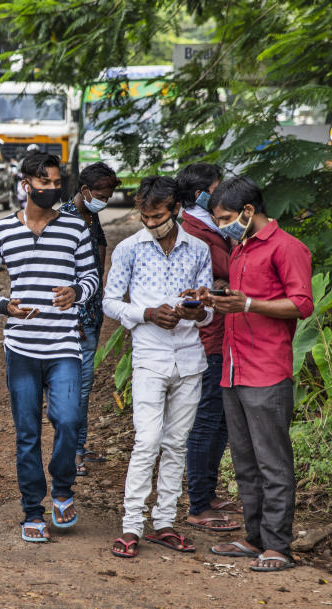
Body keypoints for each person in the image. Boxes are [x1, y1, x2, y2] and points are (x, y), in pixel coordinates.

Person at [0, 151, 99, 543]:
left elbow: (92, 277)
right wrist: (4, 304)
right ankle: (33, 511)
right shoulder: (0, 231)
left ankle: (62, 490)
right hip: (21, 348)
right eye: (44, 183)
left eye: (56, 183)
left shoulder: (75, 228)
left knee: (68, 420)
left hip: (63, 344)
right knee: (26, 432)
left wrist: (77, 292)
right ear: (26, 183)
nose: (52, 189)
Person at [205, 176, 313, 573]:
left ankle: (279, 546)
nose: (222, 226)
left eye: (227, 218)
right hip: (234, 369)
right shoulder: (240, 247)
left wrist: (249, 304)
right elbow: (240, 303)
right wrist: (218, 299)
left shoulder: (288, 248)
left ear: (249, 211)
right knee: (246, 463)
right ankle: (255, 539)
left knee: (273, 463)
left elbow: (302, 304)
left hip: (267, 370)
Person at [103, 176, 213, 559]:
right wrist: (147, 313)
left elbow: (208, 309)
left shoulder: (198, 250)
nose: (150, 222)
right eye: (145, 216)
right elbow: (110, 302)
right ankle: (131, 525)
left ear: (177, 209)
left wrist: (197, 310)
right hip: (149, 356)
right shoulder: (130, 249)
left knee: (176, 443)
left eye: (157, 216)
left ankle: (164, 523)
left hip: (189, 357)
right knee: (147, 441)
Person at [176, 163, 241, 532]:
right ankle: (199, 505)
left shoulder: (209, 226)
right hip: (208, 337)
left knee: (219, 422)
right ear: (201, 194)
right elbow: (231, 273)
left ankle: (208, 492)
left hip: (221, 333)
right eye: (216, 189)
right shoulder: (197, 231)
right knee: (206, 421)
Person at [59, 162, 120, 476]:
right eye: (101, 194)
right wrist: (77, 318)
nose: (105, 200)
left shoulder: (91, 216)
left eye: (108, 195)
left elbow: (97, 265)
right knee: (76, 388)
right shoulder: (64, 220)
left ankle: (78, 447)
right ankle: (71, 454)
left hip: (90, 314)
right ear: (85, 191)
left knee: (84, 386)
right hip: (73, 320)